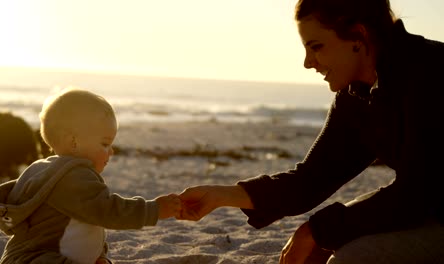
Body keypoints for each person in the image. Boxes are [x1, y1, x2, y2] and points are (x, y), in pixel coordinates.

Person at [178, 0, 444, 263]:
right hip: (426, 205)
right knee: (322, 246)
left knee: (351, 256)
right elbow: (311, 180)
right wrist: (220, 195)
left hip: (427, 204)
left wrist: (315, 231)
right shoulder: (357, 93)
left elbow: (418, 193)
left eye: (316, 47)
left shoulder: (430, 71)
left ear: (358, 35)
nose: (308, 63)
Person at [0, 88, 182, 264]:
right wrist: (154, 209)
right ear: (73, 142)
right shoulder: (71, 177)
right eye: (105, 144)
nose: (111, 151)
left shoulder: (47, 170)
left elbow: (88, 223)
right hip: (39, 258)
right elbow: (108, 211)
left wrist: (99, 255)